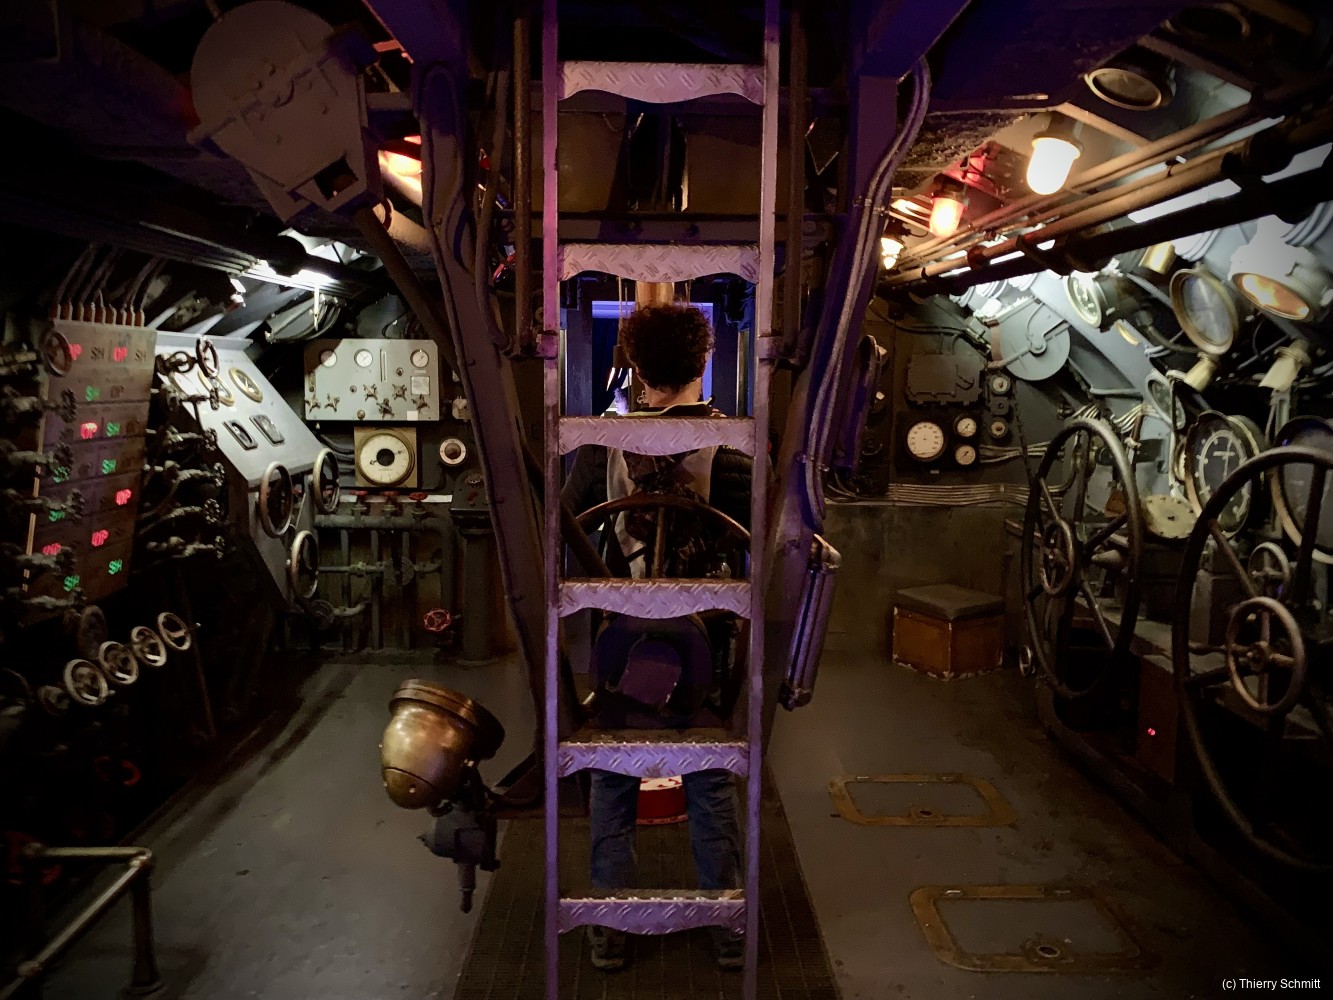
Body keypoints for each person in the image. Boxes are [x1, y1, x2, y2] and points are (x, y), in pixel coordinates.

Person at [560, 302, 751, 972]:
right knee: (708, 779)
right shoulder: (733, 447)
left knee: (614, 777)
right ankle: (725, 921)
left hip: (622, 639)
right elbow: (759, 544)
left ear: (636, 367)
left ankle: (610, 922)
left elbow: (567, 528)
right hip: (705, 644)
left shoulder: (602, 444)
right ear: (703, 362)